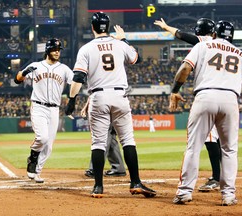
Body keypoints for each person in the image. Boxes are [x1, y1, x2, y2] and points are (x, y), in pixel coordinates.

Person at [65, 12, 156, 198]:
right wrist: (124, 39)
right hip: (120, 95)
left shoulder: (86, 49)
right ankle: (135, 182)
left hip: (98, 97)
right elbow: (135, 59)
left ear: (92, 28)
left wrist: (72, 100)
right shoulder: (120, 44)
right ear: (107, 27)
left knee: (98, 143)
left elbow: (78, 77)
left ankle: (98, 187)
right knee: (128, 140)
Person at [168, 21, 242, 206]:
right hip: (230, 100)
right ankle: (228, 196)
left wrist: (175, 90)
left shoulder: (203, 45)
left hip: (205, 96)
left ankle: (184, 192)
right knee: (229, 150)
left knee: (193, 147)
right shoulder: (241, 54)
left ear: (214, 34)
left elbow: (185, 69)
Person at [154, 17, 221, 191]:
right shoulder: (225, 46)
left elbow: (182, 35)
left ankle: (216, 178)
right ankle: (221, 176)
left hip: (210, 94)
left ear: (199, 31)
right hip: (228, 95)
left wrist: (166, 26)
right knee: (222, 141)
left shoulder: (204, 43)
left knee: (209, 138)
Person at [14, 38, 73, 183]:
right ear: (47, 50)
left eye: (59, 50)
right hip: (38, 106)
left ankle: (37, 172)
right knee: (42, 138)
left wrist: (72, 101)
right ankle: (32, 158)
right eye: (54, 49)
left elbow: (75, 82)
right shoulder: (36, 66)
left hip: (54, 109)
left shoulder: (64, 69)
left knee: (49, 146)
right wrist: (24, 72)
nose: (57, 52)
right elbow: (17, 79)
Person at [81, 99, 126, 178]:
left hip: (106, 108)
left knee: (102, 137)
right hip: (113, 107)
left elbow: (95, 92)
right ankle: (118, 168)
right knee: (111, 137)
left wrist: (86, 106)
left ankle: (95, 169)